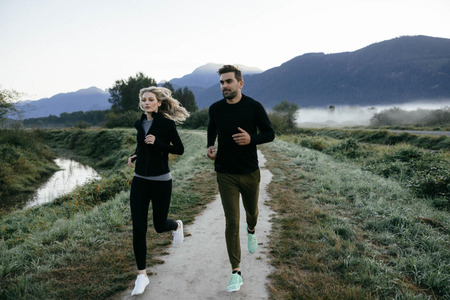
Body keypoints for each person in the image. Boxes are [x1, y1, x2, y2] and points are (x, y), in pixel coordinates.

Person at [207, 65, 275, 292]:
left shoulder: (254, 107)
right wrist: (210, 144)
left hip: (249, 172)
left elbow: (270, 133)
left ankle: (252, 230)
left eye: (228, 81)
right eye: (221, 82)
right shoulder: (215, 108)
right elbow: (212, 127)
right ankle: (236, 271)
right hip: (225, 173)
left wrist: (251, 139)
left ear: (240, 83)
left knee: (251, 213)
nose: (224, 86)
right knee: (232, 221)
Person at [127, 86, 189, 296]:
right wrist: (135, 155)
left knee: (160, 225)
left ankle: (176, 225)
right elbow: (142, 146)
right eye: (143, 99)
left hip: (161, 181)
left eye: (150, 99)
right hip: (139, 181)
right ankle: (141, 275)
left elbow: (179, 149)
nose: (146, 103)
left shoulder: (166, 124)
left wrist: (159, 143)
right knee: (138, 228)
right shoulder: (139, 123)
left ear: (158, 102)